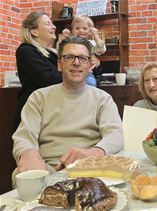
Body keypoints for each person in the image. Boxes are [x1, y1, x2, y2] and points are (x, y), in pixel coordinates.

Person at [12, 36, 123, 186]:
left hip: (88, 167)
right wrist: (28, 152)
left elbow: (115, 135)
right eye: (69, 57)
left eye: (82, 58)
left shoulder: (103, 99)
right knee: (22, 174)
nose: (76, 63)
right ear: (59, 64)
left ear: (90, 66)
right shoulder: (39, 97)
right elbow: (24, 136)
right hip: (49, 168)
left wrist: (93, 153)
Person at [12, 11, 62, 133]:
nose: (54, 26)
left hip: (52, 113)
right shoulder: (26, 51)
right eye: (48, 24)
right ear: (34, 31)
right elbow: (48, 79)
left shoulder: (53, 53)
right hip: (33, 115)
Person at [57, 15, 106, 86]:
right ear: (72, 31)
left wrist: (96, 35)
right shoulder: (70, 43)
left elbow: (101, 50)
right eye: (77, 28)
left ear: (90, 31)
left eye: (85, 28)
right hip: (71, 72)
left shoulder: (91, 43)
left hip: (87, 73)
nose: (81, 30)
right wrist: (64, 38)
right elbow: (59, 50)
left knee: (91, 83)